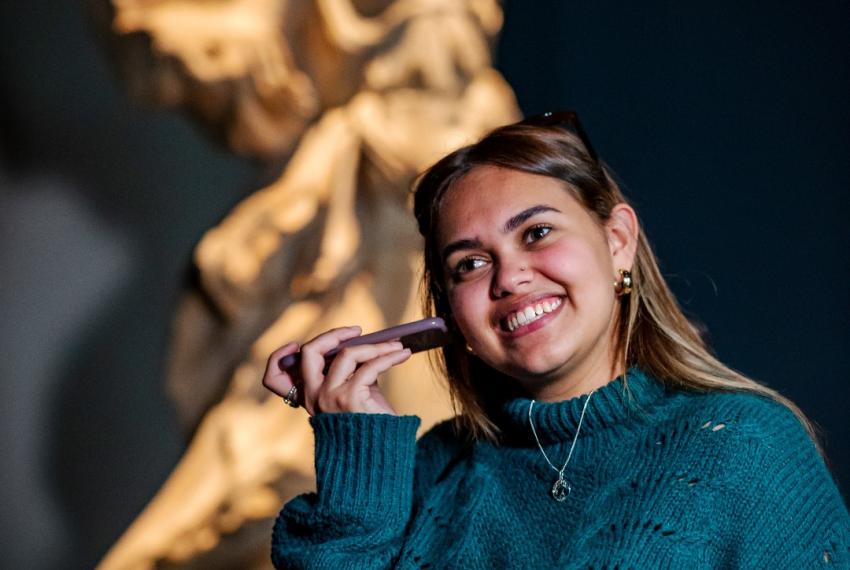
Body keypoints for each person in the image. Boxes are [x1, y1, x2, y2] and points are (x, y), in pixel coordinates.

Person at [262, 112, 850, 568]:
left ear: (617, 240)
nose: (510, 277)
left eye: (537, 232)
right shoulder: (424, 476)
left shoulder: (746, 449)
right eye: (469, 264)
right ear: (448, 315)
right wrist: (358, 457)